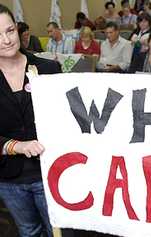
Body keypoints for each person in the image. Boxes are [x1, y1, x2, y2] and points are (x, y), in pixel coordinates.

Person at [0, 4, 61, 237]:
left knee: (60, 232)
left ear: (17, 29)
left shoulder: (49, 69)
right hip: (8, 178)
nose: (6, 40)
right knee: (29, 231)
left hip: (51, 172)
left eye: (10, 30)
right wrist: (17, 146)